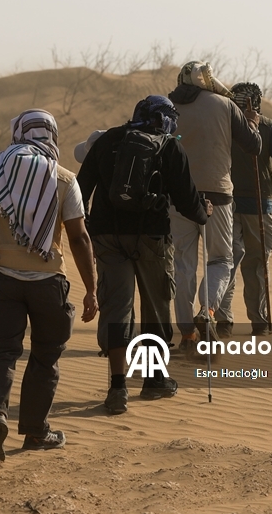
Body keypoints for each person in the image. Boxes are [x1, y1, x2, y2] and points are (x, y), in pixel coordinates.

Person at [0, 109, 98, 462]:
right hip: (49, 282)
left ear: (19, 132)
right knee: (45, 356)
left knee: (3, 352)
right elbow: (79, 238)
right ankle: (35, 432)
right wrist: (92, 289)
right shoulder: (64, 178)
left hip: (1, 276)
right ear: (52, 136)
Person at [76, 95, 212, 414]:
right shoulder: (169, 146)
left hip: (108, 238)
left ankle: (117, 387)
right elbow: (188, 203)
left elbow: (79, 191)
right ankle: (154, 380)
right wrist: (204, 211)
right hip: (152, 238)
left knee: (117, 307)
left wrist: (89, 228)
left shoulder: (107, 140)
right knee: (155, 306)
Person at [167, 62, 262, 349]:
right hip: (217, 193)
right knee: (221, 260)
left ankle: (187, 334)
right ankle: (207, 310)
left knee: (183, 264)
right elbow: (253, 145)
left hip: (178, 195)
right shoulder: (225, 105)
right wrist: (252, 122)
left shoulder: (169, 106)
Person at [216, 83, 272, 335]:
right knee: (256, 264)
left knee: (225, 261)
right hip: (259, 205)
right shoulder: (268, 127)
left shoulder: (223, 125)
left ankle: (223, 320)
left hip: (225, 204)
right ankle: (259, 321)